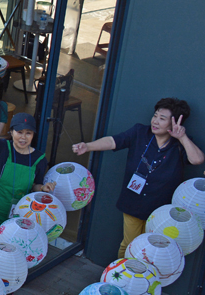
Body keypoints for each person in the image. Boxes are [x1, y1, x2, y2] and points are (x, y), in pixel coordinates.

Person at [72, 98, 204, 258]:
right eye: (155, 116)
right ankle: (121, 276)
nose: (155, 121)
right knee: (130, 244)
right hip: (134, 202)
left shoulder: (179, 144)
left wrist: (182, 137)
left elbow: (197, 159)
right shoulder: (140, 132)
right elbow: (114, 141)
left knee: (152, 250)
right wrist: (88, 146)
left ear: (175, 122)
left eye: (162, 118)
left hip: (161, 211)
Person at [0, 105, 55, 241]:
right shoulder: (1, 147)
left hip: (20, 214)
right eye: (19, 132)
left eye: (28, 133)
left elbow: (36, 185)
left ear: (33, 135)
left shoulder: (39, 159)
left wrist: (43, 188)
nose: (23, 137)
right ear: (12, 132)